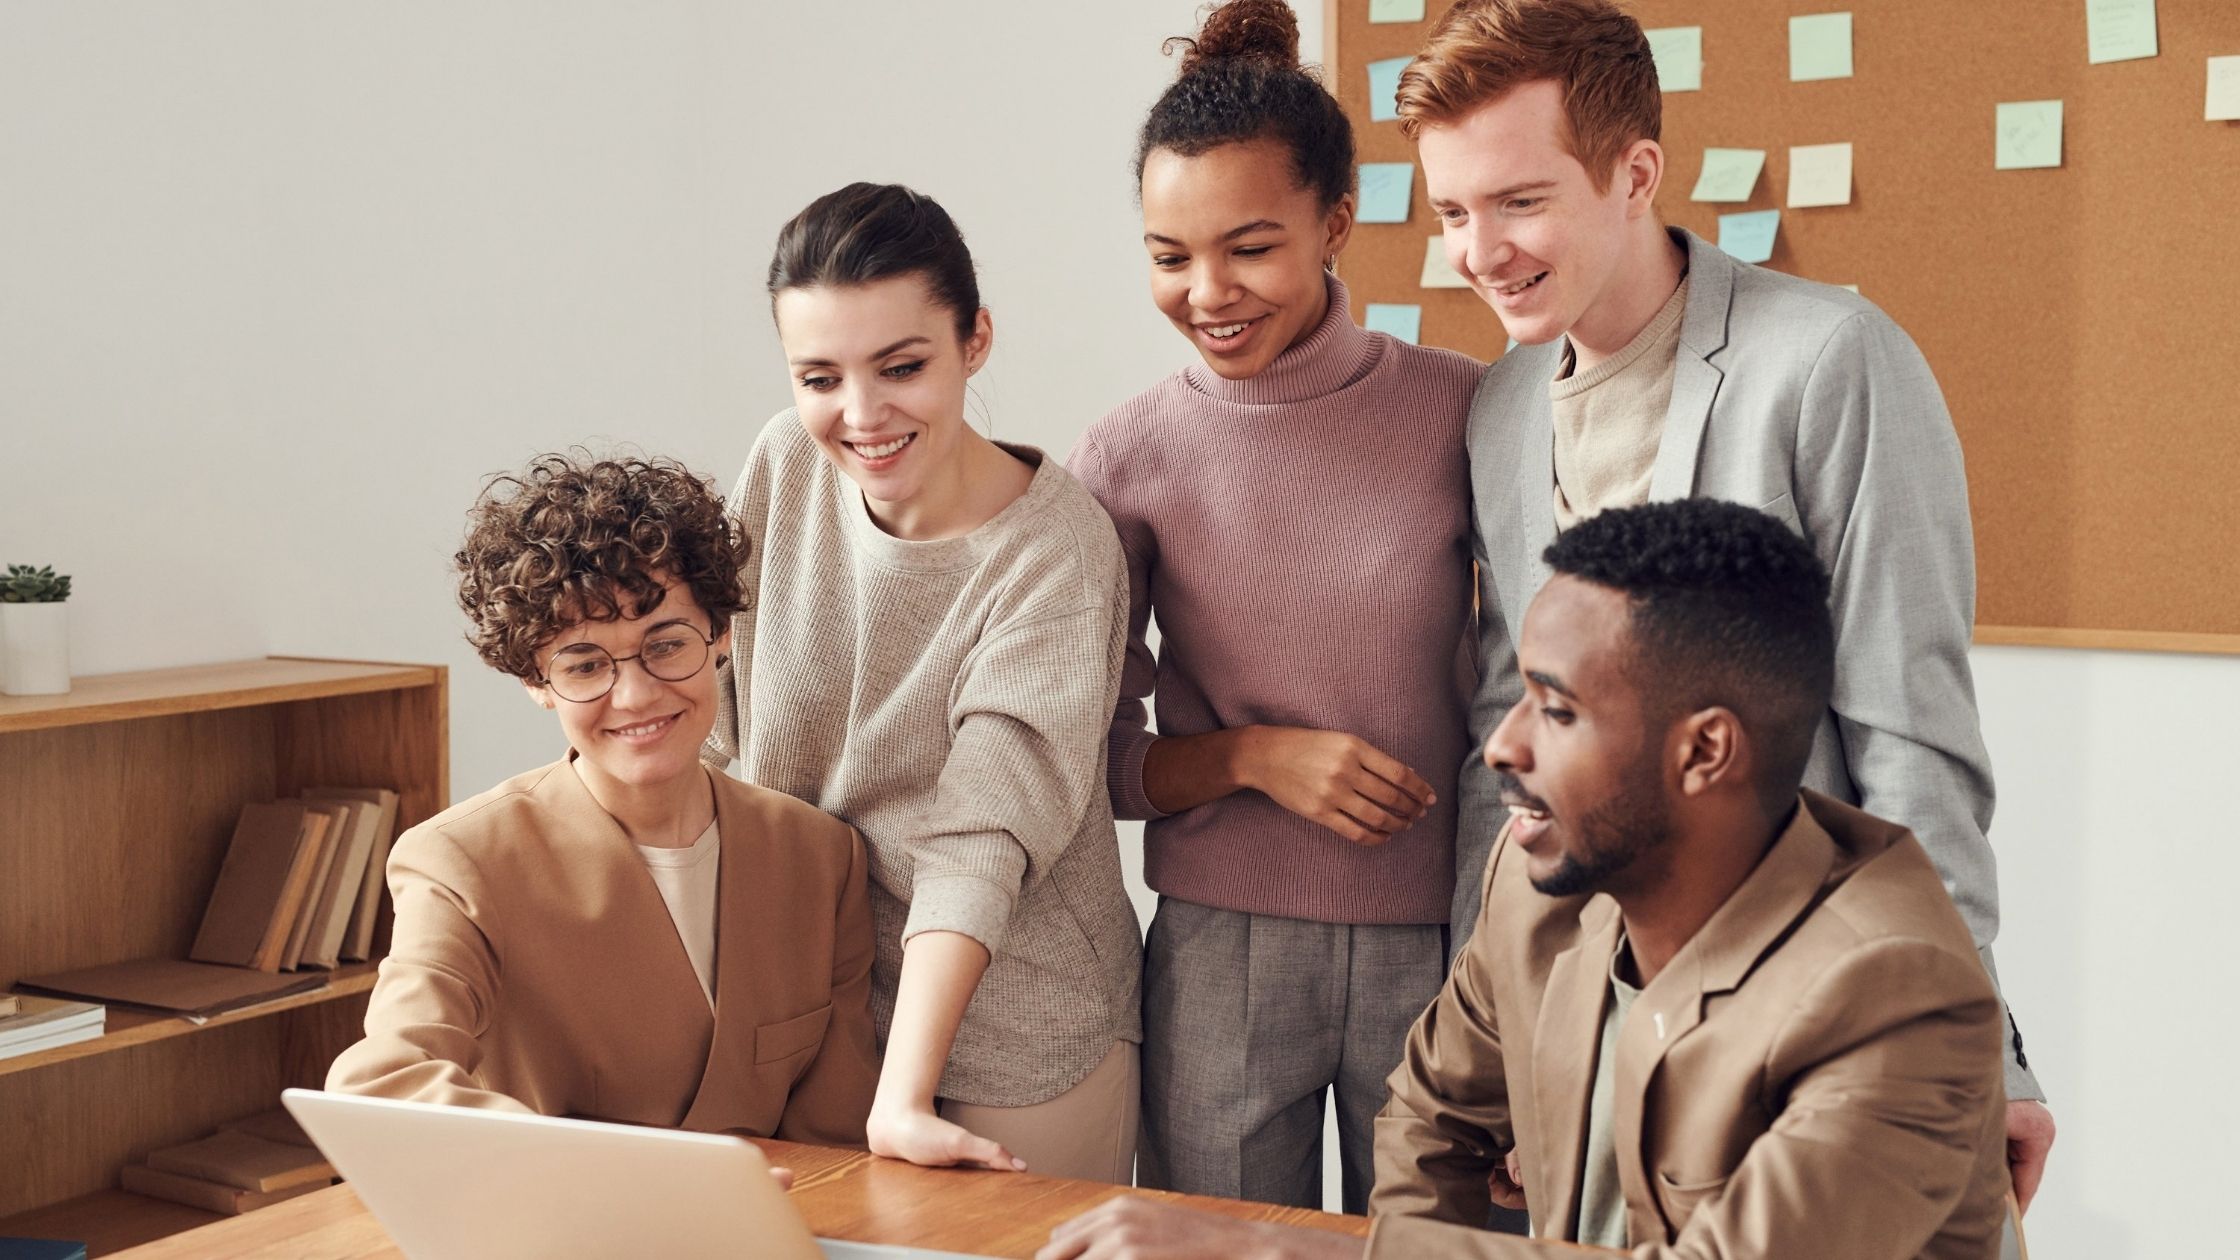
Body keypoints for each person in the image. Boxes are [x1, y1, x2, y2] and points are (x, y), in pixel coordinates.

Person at [1398, 0, 2051, 1206]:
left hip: (1810, 1000)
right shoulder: (1496, 410)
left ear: (1634, 173)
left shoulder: (1825, 362)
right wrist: (1494, 1045)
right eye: (1449, 211)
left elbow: (1913, 736)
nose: (1476, 250)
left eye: (1517, 201)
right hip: (1591, 1012)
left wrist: (1977, 1042)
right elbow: (1511, 733)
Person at [1037, 499, 2012, 1260]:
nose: (1500, 745)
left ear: (1705, 750)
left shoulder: (1897, 995)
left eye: (1554, 710)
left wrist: (1267, 1243)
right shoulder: (1539, 875)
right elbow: (1430, 1119)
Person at [1065, 0, 1481, 1213]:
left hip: (1443, 945)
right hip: (1215, 952)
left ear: (1335, 222)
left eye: (1248, 246)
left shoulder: (1469, 414)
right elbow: (1087, 761)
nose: (1207, 291)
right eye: (1166, 255)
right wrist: (1250, 758)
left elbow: (1538, 693)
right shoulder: (1125, 457)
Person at [703, 182, 1141, 1183]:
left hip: (1017, 1025)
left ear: (973, 340)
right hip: (817, 999)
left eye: (901, 367)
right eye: (819, 377)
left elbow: (983, 827)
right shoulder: (782, 466)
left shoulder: (1056, 547)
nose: (861, 416)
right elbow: (716, 726)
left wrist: (901, 1092)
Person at [329, 454, 878, 1160]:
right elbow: (386, 1087)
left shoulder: (820, 856)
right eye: (586, 664)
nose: (637, 696)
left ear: (720, 638)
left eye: (666, 646)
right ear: (537, 680)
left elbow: (836, 1139)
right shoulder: (461, 863)